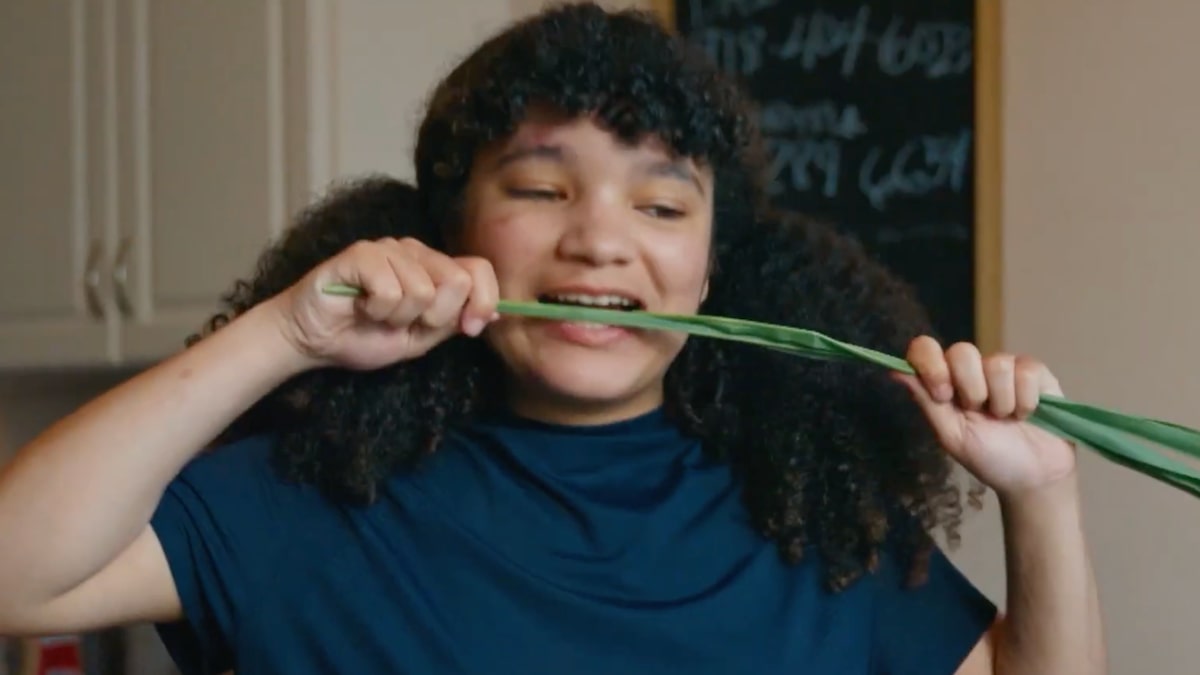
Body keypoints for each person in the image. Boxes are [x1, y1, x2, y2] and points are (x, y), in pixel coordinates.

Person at [0, 3, 1104, 674]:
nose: (599, 241)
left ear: (711, 268)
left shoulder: (809, 520)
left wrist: (1042, 492)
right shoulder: (312, 497)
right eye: (539, 188)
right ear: (453, 230)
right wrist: (284, 333)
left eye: (660, 205)